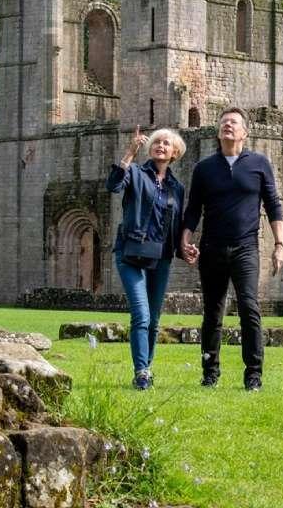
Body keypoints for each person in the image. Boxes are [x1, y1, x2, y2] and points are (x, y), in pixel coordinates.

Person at [180, 106, 283, 391]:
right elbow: (193, 210)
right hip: (212, 248)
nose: (227, 125)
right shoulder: (204, 168)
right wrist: (184, 238)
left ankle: (253, 375)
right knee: (213, 313)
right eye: (224, 121)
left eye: (233, 122)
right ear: (218, 131)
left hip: (245, 248)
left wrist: (279, 244)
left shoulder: (259, 164)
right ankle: (210, 372)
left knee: (250, 308)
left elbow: (273, 205)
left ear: (244, 132)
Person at [106, 125, 187, 390]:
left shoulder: (177, 187)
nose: (160, 146)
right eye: (156, 142)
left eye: (166, 143)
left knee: (154, 319)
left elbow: (176, 223)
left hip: (160, 257)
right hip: (130, 252)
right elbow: (114, 184)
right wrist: (130, 153)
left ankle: (147, 369)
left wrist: (184, 248)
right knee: (141, 315)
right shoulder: (137, 173)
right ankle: (141, 371)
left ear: (175, 152)